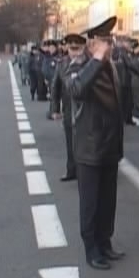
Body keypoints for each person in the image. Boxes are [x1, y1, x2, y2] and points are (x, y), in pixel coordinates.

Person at [65, 16, 125, 270]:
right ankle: (92, 248)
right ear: (92, 44)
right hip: (89, 146)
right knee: (90, 201)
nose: (110, 45)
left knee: (107, 199)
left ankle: (105, 241)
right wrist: (97, 60)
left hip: (110, 144)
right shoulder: (79, 64)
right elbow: (76, 88)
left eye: (110, 41)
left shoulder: (111, 65)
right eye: (104, 41)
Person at [52, 34, 86, 181]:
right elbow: (55, 87)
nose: (74, 53)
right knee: (70, 141)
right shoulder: (62, 63)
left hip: (85, 108)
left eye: (77, 49)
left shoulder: (88, 63)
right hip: (68, 107)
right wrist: (54, 109)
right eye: (72, 49)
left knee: (85, 141)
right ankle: (71, 169)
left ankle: (85, 171)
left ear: (83, 48)